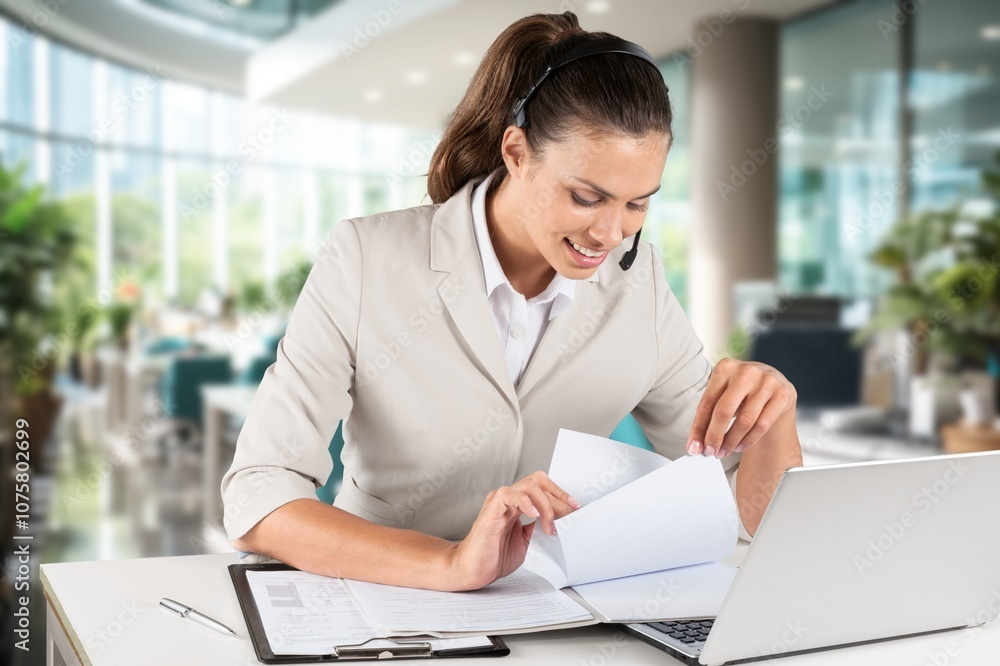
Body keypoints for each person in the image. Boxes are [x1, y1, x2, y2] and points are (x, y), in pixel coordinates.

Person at [222, 11, 802, 592]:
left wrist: (770, 416)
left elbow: (741, 503)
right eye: (586, 197)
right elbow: (259, 491)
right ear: (517, 152)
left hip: (554, 605)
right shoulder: (367, 258)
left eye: (638, 204)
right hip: (386, 595)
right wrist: (447, 565)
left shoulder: (638, 281)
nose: (610, 233)